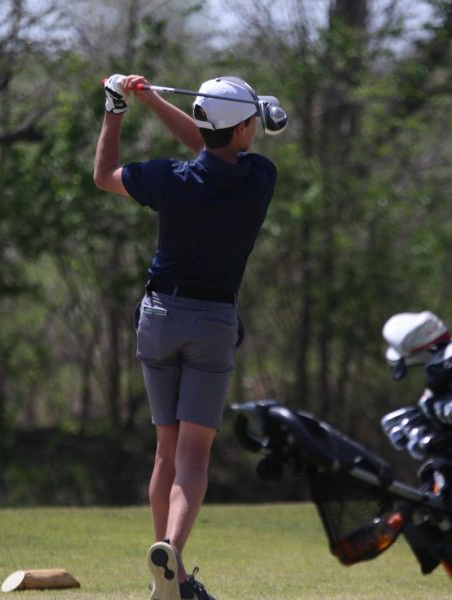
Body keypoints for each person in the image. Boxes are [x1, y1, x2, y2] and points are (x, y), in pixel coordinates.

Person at [93, 73, 279, 600]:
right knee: (195, 457)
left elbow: (104, 174)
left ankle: (164, 574)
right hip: (213, 322)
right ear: (243, 130)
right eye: (251, 126)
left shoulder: (168, 179)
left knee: (165, 452)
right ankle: (171, 553)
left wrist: (119, 107)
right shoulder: (260, 176)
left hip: (160, 314)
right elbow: (212, 145)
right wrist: (156, 101)